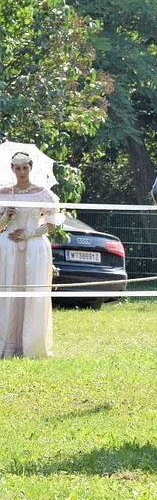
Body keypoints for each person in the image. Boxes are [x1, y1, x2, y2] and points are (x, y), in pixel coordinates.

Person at [0, 152, 62, 358]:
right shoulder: (3, 193)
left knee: (32, 293)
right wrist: (5, 215)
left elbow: (51, 225)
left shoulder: (43, 194)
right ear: (12, 170)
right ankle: (8, 344)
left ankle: (31, 345)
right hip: (8, 246)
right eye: (17, 168)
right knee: (7, 291)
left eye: (25, 167)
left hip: (34, 246)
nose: (22, 172)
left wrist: (29, 233)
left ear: (30, 168)